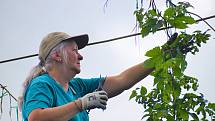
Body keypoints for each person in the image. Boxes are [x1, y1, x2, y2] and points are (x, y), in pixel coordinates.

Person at [18, 32, 154, 121]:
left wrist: (160, 57)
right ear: (57, 56)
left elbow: (122, 80)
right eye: (75, 50)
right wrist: (80, 104)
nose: (81, 56)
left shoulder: (77, 87)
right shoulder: (42, 84)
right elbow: (36, 118)